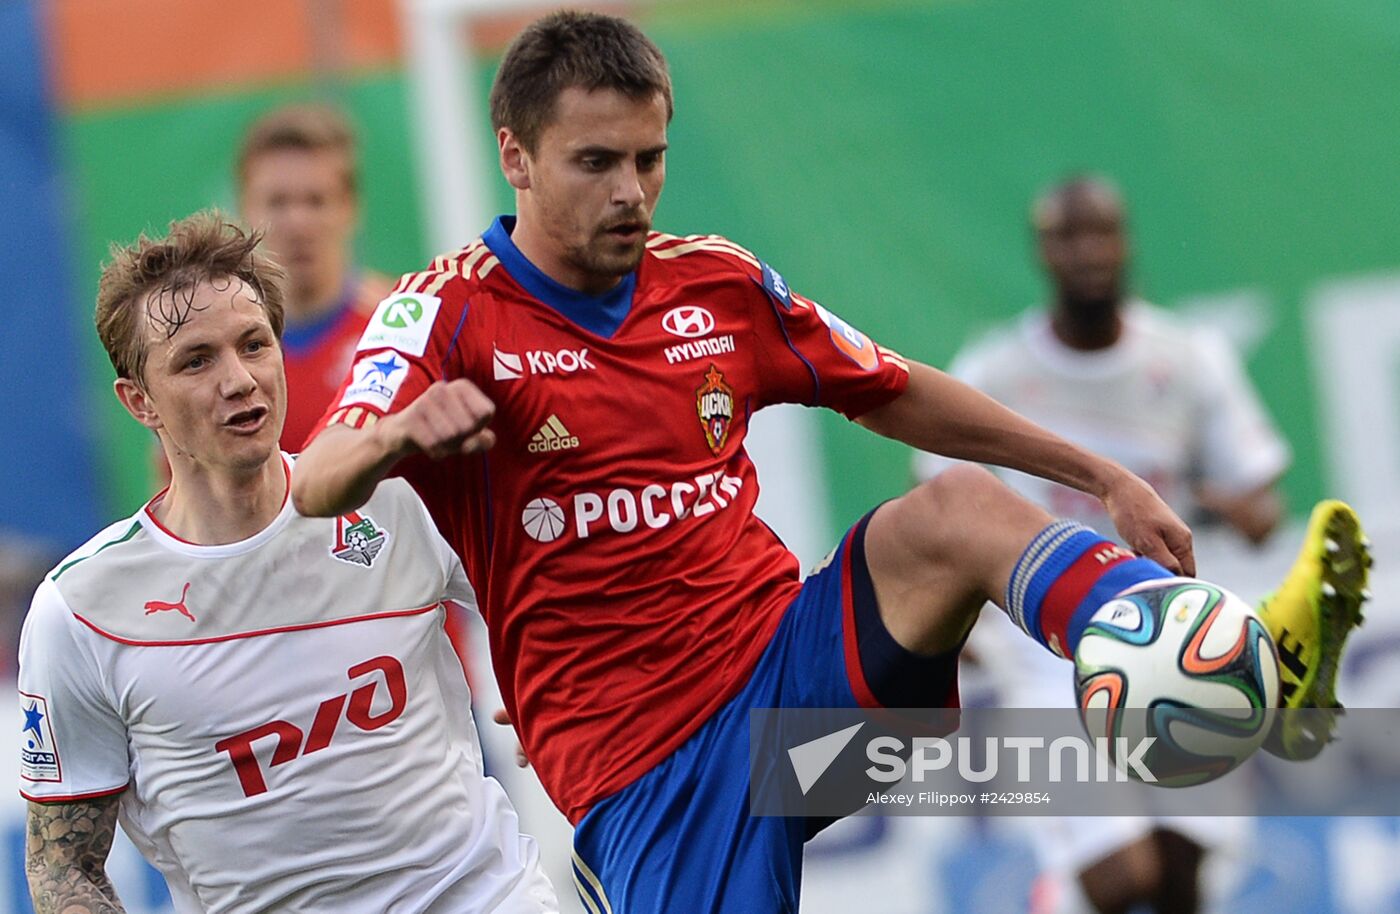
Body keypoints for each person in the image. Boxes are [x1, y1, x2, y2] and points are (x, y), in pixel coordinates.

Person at [290, 12, 1370, 912]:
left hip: (797, 686)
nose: (630, 189)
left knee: (951, 511)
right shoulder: (443, 310)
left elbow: (892, 386)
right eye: (595, 162)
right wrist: (395, 434)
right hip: (647, 769)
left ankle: (1231, 656)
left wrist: (1102, 476)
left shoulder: (710, 284)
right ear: (515, 156)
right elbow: (320, 476)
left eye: (648, 158)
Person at [19, 213, 557, 913]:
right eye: (196, 360)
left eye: (254, 345)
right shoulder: (84, 609)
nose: (240, 380)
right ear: (139, 402)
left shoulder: (398, 501)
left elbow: (570, 603)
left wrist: (552, 675)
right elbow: (65, 867)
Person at [914, 175, 1292, 914]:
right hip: (1050, 647)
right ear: (1041, 253)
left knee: (1183, 873)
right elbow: (941, 506)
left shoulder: (1188, 357)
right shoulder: (994, 371)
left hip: (1178, 638)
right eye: (1067, 237)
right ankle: (1059, 888)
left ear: (1125, 242)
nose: (1087, 252)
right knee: (1122, 881)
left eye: (1101, 233)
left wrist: (1198, 504)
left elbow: (1261, 503)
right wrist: (947, 621)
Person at [236, 103, 392, 452]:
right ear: (246, 208)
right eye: (278, 202)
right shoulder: (218, 357)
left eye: (316, 201)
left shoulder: (400, 333)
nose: (297, 223)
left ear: (351, 207)